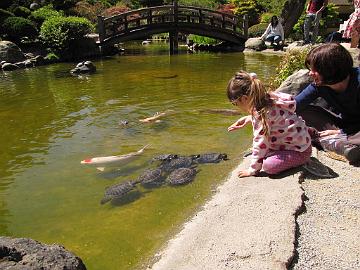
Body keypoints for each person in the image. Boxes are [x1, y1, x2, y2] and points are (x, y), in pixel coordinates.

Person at [227, 71, 312, 178]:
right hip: (302, 143)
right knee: (265, 154)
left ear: (244, 98)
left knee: (268, 166)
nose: (237, 107)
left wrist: (253, 169)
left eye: (236, 104)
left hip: (300, 152)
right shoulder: (269, 98)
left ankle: (301, 160)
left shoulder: (261, 115)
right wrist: (249, 118)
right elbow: (275, 117)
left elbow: (260, 143)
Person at [295, 43, 360, 163]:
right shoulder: (319, 85)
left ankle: (339, 143)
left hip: (354, 130)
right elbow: (295, 104)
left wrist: (340, 132)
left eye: (315, 70)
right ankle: (342, 144)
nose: (310, 73)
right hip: (343, 124)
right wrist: (259, 114)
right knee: (304, 110)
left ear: (330, 69)